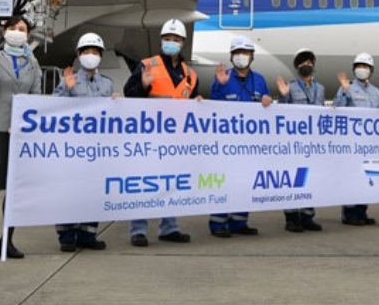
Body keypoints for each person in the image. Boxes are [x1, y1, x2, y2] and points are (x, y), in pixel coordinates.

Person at [122, 19, 195, 247]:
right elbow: (129, 95)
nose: (171, 43)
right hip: (148, 136)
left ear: (183, 42)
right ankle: (139, 230)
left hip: (174, 139)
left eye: (175, 39)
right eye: (167, 39)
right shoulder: (147, 65)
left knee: (171, 183)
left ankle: (169, 228)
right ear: (161, 40)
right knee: (144, 183)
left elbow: (190, 103)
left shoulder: (190, 74)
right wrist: (143, 86)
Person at [0, 16, 42, 260]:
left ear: (28, 36)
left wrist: (24, 124)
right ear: (4, 32)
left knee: (15, 190)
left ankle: (7, 241)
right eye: (12, 28)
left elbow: (35, 98)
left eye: (22, 29)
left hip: (20, 132)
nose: (17, 32)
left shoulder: (32, 63)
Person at [53, 32, 117, 252]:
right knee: (70, 190)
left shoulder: (107, 84)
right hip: (73, 147)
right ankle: (67, 235)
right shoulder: (68, 80)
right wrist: (66, 89)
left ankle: (88, 233)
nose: (91, 56)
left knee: (94, 189)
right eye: (87, 52)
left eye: (95, 52)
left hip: (98, 148)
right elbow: (53, 111)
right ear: (79, 55)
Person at [208, 34, 272, 237]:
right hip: (227, 144)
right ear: (231, 56)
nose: (241, 56)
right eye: (237, 53)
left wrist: (268, 101)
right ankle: (217, 224)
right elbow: (213, 107)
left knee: (245, 182)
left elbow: (267, 106)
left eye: (245, 53)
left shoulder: (259, 80)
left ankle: (239, 223)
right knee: (225, 182)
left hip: (250, 145)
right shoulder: (223, 77)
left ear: (252, 56)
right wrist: (220, 85)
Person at [334, 52, 379, 226]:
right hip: (351, 143)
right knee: (351, 177)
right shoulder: (347, 87)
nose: (362, 70)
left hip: (369, 144)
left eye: (365, 67)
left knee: (366, 178)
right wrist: (343, 91)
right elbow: (337, 109)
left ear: (371, 71)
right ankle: (349, 214)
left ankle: (362, 212)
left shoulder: (376, 91)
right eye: (358, 66)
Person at [276, 48, 325, 233]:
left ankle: (307, 216)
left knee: (310, 179)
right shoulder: (291, 87)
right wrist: (282, 96)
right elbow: (282, 113)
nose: (307, 65)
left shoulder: (320, 89)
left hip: (313, 143)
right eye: (303, 63)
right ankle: (291, 217)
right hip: (294, 142)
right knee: (293, 180)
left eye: (309, 62)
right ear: (297, 66)